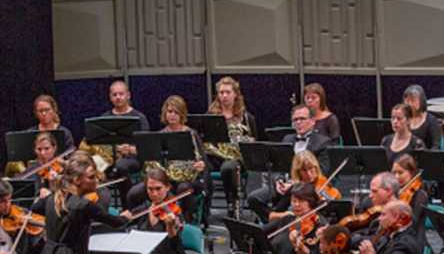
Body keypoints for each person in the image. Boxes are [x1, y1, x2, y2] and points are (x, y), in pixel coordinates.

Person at [125, 94, 208, 214]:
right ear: (165, 113)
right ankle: (138, 222)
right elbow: (151, 161)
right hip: (165, 180)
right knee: (134, 193)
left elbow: (203, 161)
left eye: (176, 112)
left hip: (187, 180)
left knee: (183, 189)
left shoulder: (191, 134)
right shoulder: (160, 135)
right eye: (169, 111)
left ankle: (186, 222)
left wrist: (200, 166)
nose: (172, 115)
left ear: (182, 114)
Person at [205, 75, 258, 217]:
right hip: (215, 156)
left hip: (236, 158)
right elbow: (204, 139)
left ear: (235, 94)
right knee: (200, 167)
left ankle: (232, 202)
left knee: (228, 167)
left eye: (228, 92)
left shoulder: (246, 117)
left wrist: (249, 142)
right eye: (221, 92)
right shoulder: (211, 116)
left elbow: (255, 140)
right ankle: (203, 211)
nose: (224, 96)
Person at [102, 79, 150, 202]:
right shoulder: (104, 118)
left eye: (121, 94)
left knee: (121, 166)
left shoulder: (139, 118)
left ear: (128, 95)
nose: (118, 97)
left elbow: (147, 147)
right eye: (114, 94)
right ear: (110, 97)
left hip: (132, 159)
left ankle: (128, 204)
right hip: (108, 159)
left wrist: (130, 149)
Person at [248, 149, 324, 224]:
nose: (309, 174)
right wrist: (287, 215)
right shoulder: (295, 189)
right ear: (298, 172)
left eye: (311, 169)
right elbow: (276, 213)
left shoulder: (324, 184)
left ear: (316, 168)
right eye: (304, 170)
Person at [403, 84, 443, 149]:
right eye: (407, 101)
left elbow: (436, 146)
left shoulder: (431, 120)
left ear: (421, 101)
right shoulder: (402, 119)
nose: (409, 104)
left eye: (413, 100)